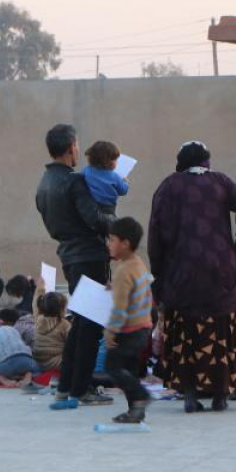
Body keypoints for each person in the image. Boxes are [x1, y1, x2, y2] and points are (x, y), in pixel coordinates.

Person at [149, 141, 236, 413]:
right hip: (220, 270)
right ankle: (220, 395)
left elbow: (155, 233)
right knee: (219, 332)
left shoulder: (168, 186)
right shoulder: (221, 182)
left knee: (185, 334)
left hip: (180, 272)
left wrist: (159, 273)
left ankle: (189, 394)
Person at [36, 124, 114, 408]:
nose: (79, 151)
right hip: (89, 256)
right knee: (90, 326)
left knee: (80, 323)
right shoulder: (74, 181)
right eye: (77, 145)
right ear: (70, 148)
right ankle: (81, 389)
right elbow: (95, 219)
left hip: (69, 256)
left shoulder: (44, 182)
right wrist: (114, 220)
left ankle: (67, 385)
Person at [101, 217, 154, 423]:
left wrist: (110, 331)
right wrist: (115, 287)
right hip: (144, 326)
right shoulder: (137, 264)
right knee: (128, 370)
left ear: (125, 243)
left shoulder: (123, 271)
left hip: (129, 329)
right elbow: (138, 292)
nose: (109, 244)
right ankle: (136, 411)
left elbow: (120, 308)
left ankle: (141, 396)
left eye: (112, 239)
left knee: (112, 366)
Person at [31, 277, 71, 372]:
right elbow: (72, 343)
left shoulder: (38, 318)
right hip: (57, 363)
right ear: (61, 309)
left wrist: (40, 288)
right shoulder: (64, 324)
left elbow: (35, 303)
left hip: (37, 361)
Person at [81, 141, 129, 215]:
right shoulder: (115, 177)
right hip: (108, 209)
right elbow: (123, 190)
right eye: (115, 159)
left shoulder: (86, 170)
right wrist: (125, 182)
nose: (117, 162)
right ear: (107, 161)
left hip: (89, 207)